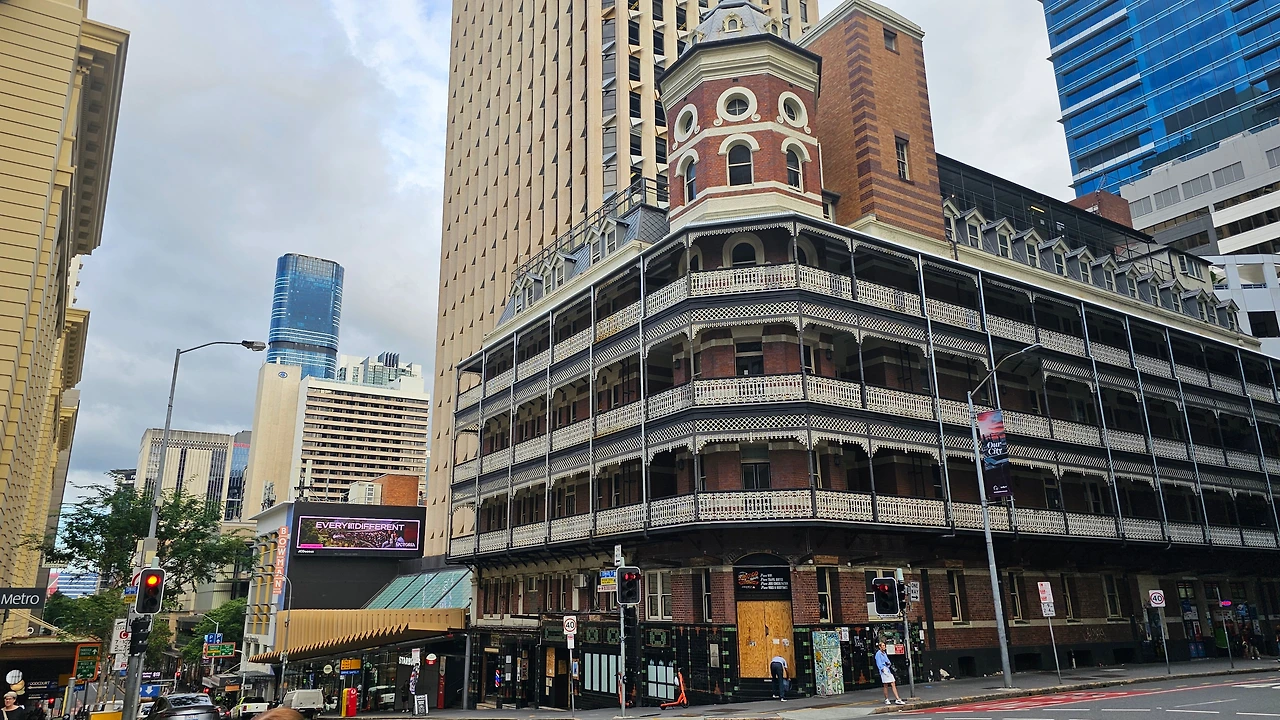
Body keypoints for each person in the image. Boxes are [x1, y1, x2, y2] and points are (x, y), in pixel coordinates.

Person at [875, 641, 905, 706]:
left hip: (887, 669)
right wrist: (882, 669)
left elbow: (888, 661)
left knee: (891, 683)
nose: (884, 647)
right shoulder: (878, 654)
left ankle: (896, 699)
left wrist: (888, 663)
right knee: (886, 684)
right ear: (880, 647)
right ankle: (889, 699)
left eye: (884, 645)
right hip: (884, 670)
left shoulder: (884, 653)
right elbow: (878, 663)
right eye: (883, 646)